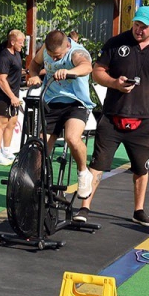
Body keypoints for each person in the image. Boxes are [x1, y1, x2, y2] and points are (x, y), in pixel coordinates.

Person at [75, 6, 149, 227]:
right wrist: (114, 83)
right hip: (112, 116)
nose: (138, 29)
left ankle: (138, 211)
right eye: (136, 24)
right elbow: (97, 71)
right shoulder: (116, 43)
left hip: (144, 118)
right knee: (97, 165)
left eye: (144, 26)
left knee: (141, 168)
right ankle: (84, 208)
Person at [27, 30, 95, 198]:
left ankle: (83, 173)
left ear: (68, 46)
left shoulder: (76, 52)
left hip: (76, 103)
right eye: (52, 56)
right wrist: (34, 76)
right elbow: (34, 64)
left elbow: (87, 66)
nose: (54, 59)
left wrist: (69, 71)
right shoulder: (46, 49)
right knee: (40, 147)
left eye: (58, 56)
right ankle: (38, 183)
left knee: (72, 138)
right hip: (51, 102)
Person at [0, 30, 25, 165]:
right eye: (20, 42)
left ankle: (7, 151)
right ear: (12, 42)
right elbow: (1, 80)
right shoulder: (4, 56)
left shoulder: (17, 54)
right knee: (2, 124)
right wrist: (11, 97)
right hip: (4, 96)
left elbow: (15, 71)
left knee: (12, 123)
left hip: (14, 94)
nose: (22, 45)